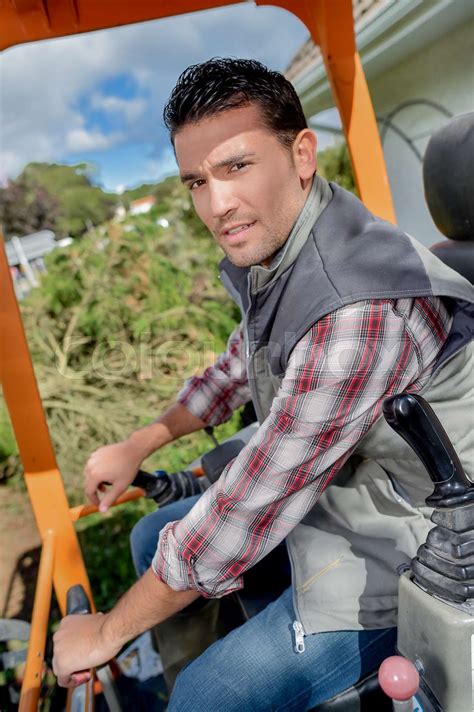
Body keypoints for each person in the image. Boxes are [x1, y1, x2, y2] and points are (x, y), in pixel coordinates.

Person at [53, 59, 473, 710]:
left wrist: (104, 633)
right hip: (352, 501)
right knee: (150, 537)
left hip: (418, 553)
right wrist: (144, 441)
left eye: (237, 167)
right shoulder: (293, 242)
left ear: (301, 154)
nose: (216, 205)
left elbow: (247, 512)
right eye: (197, 181)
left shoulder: (355, 307)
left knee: (204, 699)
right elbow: (236, 365)